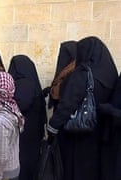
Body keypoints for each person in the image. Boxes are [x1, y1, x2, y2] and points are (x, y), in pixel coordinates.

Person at [47, 36, 118, 180]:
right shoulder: (111, 74)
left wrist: (52, 128)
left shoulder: (83, 73)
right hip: (100, 135)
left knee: (74, 170)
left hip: (78, 135)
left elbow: (68, 104)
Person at [8, 55, 47, 180]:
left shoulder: (23, 84)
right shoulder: (32, 82)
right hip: (32, 131)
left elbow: (21, 105)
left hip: (23, 133)